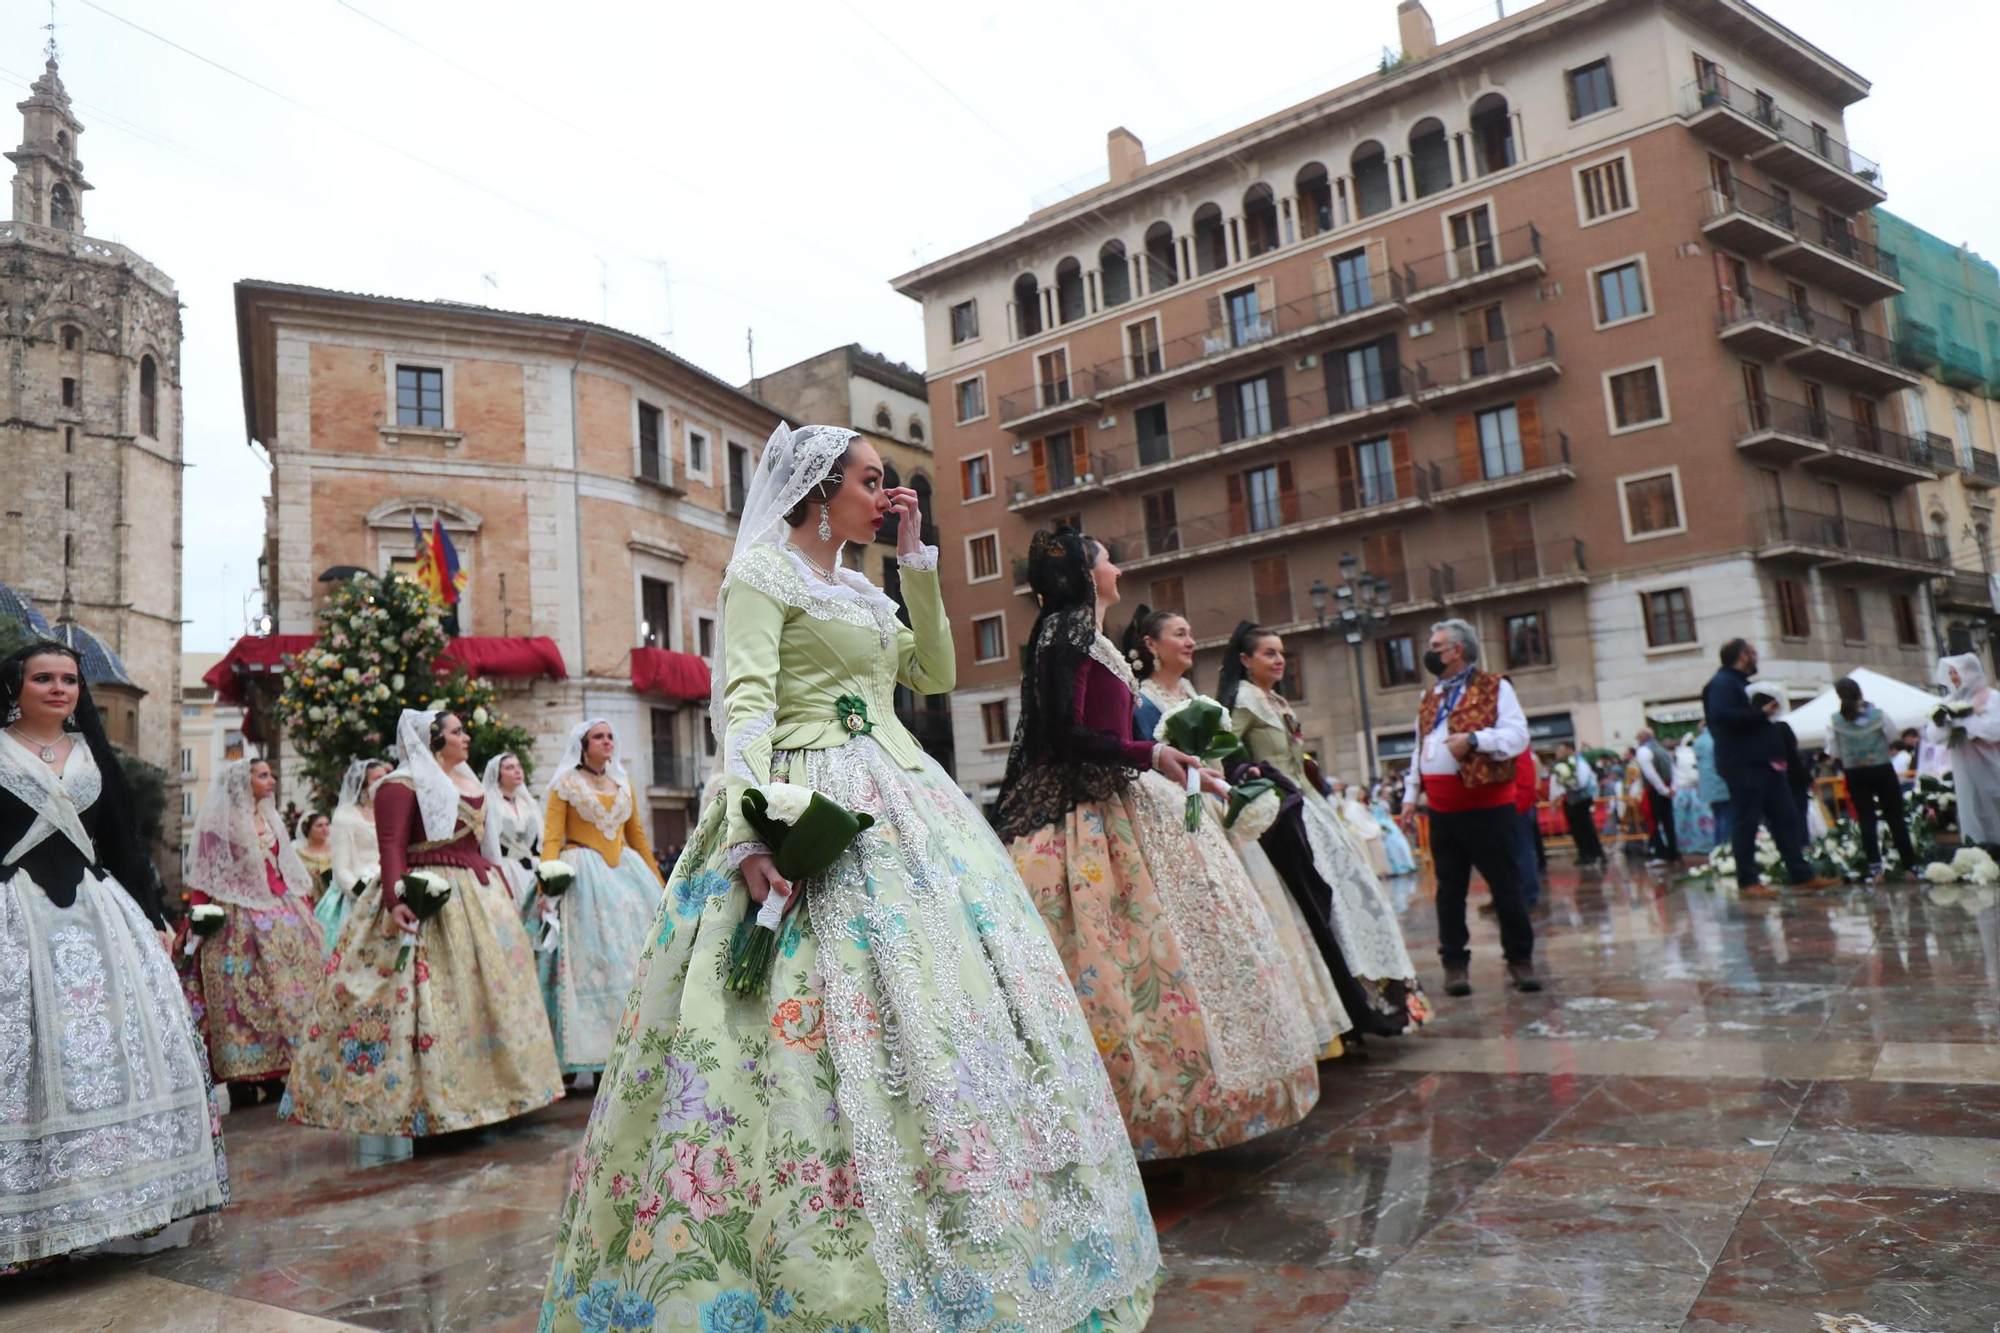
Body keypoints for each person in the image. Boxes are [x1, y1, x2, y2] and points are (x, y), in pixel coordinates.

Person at [540, 428, 1159, 1332]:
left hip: (906, 799)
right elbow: (742, 703)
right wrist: (753, 833)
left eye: (890, 486)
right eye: (873, 484)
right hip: (805, 793)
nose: (888, 497)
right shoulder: (763, 573)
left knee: (941, 1013)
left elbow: (936, 672)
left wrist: (915, 564)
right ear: (820, 492)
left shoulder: (868, 589)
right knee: (807, 1034)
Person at [1002, 537, 1322, 1159]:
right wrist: (1146, 753)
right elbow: (1069, 733)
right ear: (1083, 572)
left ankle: (1193, 1109)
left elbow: (1119, 732)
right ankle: (1129, 1122)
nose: (1117, 569)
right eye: (1106, 559)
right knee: (1116, 960)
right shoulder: (1066, 629)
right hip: (1088, 816)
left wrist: (1169, 762)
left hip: (1128, 799)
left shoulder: (1091, 635)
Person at [0, 640, 227, 1267]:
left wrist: (155, 917)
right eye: (42, 678)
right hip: (14, 918)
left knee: (111, 1046)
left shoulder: (92, 755)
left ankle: (111, 1203)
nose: (57, 689)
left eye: (68, 679)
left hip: (100, 920)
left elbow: (123, 844)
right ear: (14, 687)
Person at [283, 709, 561, 1136]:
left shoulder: (470, 783)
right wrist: (396, 897)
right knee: (429, 1001)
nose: (465, 737)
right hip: (426, 894)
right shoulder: (399, 784)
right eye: (456, 731)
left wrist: (504, 892)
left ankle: (498, 1093)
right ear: (433, 740)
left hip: (479, 896)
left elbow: (489, 852)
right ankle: (432, 1101)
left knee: (489, 995)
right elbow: (392, 844)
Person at [1124, 603, 1353, 1059]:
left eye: (1191, 633)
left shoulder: (1193, 692)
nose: (1190, 642)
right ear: (1151, 646)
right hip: (1184, 818)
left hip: (1219, 811)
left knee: (1266, 914)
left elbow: (1220, 754)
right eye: (1179, 633)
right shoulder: (1143, 700)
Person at [1221, 621, 1430, 1035]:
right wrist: (1257, 778)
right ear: (1245, 661)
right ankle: (1354, 1001)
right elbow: (1226, 755)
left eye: (1281, 653)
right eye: (1268, 653)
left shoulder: (1275, 700)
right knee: (1330, 899)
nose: (1279, 660)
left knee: (1358, 894)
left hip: (1311, 807)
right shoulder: (1244, 703)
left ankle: (1383, 994)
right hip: (1286, 814)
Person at [1398, 619, 1539, 997]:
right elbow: (1420, 748)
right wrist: (1411, 796)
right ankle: (1455, 964)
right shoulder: (1430, 698)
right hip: (1442, 810)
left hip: (1486, 806)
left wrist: (1476, 740)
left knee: (1505, 886)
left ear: (1457, 650)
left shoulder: (1496, 687)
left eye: (1436, 645)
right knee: (1449, 891)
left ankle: (1520, 959)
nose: (1429, 652)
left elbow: (1518, 735)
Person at [184, 757, 326, 1103]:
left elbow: (282, 867)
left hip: (281, 912)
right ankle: (242, 1076)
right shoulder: (219, 823)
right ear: (242, 783)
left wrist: (303, 907)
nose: (272, 781)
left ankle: (278, 1070)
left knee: (283, 993)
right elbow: (205, 873)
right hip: (236, 920)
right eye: (263, 776)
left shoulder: (270, 818)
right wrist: (197, 918)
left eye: (271, 775)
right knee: (241, 997)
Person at [535, 721, 664, 1077]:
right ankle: (583, 1057)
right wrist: (548, 880)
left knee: (629, 963)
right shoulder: (564, 785)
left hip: (628, 877)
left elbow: (637, 836)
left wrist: (661, 883)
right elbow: (551, 838)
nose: (607, 741)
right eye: (599, 737)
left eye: (610, 736)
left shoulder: (622, 783)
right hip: (583, 877)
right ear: (583, 744)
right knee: (589, 963)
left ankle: (624, 1051)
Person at [1702, 639, 1841, 897]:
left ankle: (1801, 876)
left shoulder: (1740, 684)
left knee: (1786, 818)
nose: (1756, 658)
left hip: (1764, 765)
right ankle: (1748, 882)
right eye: (1753, 653)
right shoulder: (1722, 684)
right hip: (1744, 765)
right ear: (1743, 656)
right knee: (1747, 822)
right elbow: (1722, 717)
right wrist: (1762, 713)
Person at [1827, 677, 1917, 882]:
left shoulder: (1835, 721)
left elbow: (1834, 751)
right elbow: (1893, 735)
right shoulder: (1878, 715)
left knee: (1866, 819)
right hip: (1881, 768)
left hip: (1855, 772)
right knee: (1895, 817)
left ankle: (1876, 870)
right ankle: (1910, 867)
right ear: (1860, 692)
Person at [316, 757, 390, 954]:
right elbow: (341, 868)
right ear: (363, 785)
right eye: (378, 778)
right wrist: (364, 894)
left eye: (386, 777)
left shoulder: (391, 813)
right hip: (357, 894)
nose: (384, 782)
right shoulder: (345, 816)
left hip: (389, 889)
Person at [1929, 654, 2000, 853]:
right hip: (1963, 764)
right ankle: (1977, 847)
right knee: (1971, 804)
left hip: (1991, 762)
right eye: (1950, 673)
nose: (1953, 677)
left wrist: (1964, 722)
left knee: (1995, 799)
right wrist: (1944, 722)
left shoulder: (1992, 697)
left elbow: (1994, 728)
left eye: (1957, 672)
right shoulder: (1949, 701)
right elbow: (1934, 735)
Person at [480, 750, 541, 910]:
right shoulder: (491, 804)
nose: (517, 771)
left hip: (531, 866)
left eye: (518, 766)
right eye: (509, 768)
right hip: (506, 868)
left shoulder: (528, 803)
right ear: (497, 774)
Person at [1550, 741, 1604, 867]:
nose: (1560, 753)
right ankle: (1584, 853)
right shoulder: (1565, 764)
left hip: (1580, 800)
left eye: (1562, 750)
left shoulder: (1579, 763)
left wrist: (1569, 782)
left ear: (1570, 750)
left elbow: (1582, 781)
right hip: (1571, 800)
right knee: (1577, 828)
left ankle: (1592, 853)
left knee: (1585, 827)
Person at [1636, 728, 1681, 868]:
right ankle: (1673, 852)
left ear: (1642, 737)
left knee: (1653, 821)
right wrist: (1673, 788)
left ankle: (1661, 854)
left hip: (1654, 790)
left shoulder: (1643, 750)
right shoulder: (1662, 749)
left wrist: (1662, 789)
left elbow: (1650, 773)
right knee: (1668, 821)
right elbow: (1674, 769)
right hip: (1668, 787)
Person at [1672, 731, 1717, 856]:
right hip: (1695, 790)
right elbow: (1694, 775)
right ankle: (1704, 843)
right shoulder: (1689, 754)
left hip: (1683, 791)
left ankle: (1686, 844)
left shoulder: (1680, 754)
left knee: (1683, 820)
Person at [1694, 720, 1731, 850]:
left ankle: (1718, 848)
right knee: (1727, 818)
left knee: (1718, 817)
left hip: (1709, 788)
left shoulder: (1698, 741)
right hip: (1722, 785)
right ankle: (1725, 848)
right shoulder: (1715, 738)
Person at [294, 811, 333, 898]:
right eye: (319, 826)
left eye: (327, 824)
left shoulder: (335, 849)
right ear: (308, 829)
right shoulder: (298, 853)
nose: (325, 829)